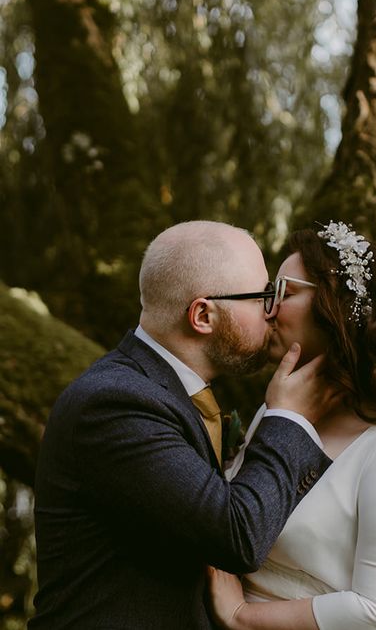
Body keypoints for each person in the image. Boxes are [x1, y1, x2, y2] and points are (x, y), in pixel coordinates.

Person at [31, 220, 336, 629]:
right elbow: (237, 536)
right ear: (203, 315)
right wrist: (290, 418)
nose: (273, 311)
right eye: (261, 297)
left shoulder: (173, 394)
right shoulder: (115, 404)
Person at [208, 221, 376, 630]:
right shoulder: (278, 413)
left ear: (339, 306)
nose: (268, 309)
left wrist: (242, 617)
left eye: (284, 292)